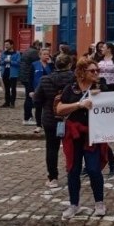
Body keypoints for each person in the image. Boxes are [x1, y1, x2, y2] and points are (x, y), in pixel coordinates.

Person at [56, 57, 108, 219]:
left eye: (97, 70)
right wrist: (79, 105)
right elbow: (59, 108)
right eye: (92, 71)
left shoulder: (101, 86)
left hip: (92, 134)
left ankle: (99, 202)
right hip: (74, 135)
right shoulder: (70, 89)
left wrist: (100, 98)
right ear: (81, 73)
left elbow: (112, 104)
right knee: (73, 169)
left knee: (93, 169)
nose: (96, 73)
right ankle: (74, 204)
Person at [33, 53, 76, 189]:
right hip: (72, 117)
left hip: (51, 118)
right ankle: (73, 174)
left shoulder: (45, 79)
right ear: (70, 65)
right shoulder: (75, 79)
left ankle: (53, 178)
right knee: (75, 147)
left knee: (52, 149)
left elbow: (37, 100)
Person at [31, 48, 53, 131]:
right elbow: (30, 78)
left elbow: (54, 75)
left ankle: (48, 124)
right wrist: (30, 90)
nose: (46, 56)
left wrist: (51, 64)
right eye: (44, 54)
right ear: (40, 55)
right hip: (38, 88)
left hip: (49, 89)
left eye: (47, 54)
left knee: (48, 108)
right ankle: (38, 125)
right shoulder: (34, 64)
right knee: (38, 108)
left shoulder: (51, 64)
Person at [20, 40, 41, 125]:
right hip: (28, 77)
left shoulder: (27, 50)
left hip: (24, 76)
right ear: (37, 45)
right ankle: (27, 118)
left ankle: (29, 116)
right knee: (29, 97)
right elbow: (38, 63)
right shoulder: (34, 52)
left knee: (28, 97)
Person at [0, 39, 20, 108]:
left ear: (11, 45)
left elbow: (18, 63)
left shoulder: (17, 53)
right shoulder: (3, 53)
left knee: (13, 88)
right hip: (5, 72)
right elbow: (0, 62)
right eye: (5, 45)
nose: (6, 46)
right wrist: (4, 61)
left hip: (13, 73)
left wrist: (10, 61)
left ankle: (12, 102)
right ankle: (7, 102)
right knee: (6, 88)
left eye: (7, 45)